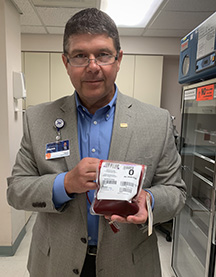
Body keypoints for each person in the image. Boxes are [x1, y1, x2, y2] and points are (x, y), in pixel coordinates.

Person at [7, 8, 186, 277]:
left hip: (129, 264)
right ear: (66, 63)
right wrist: (65, 183)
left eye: (103, 54)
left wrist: (147, 200)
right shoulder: (38, 119)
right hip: (55, 261)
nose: (92, 66)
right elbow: (16, 190)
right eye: (80, 56)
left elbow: (176, 191)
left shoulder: (156, 121)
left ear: (118, 59)